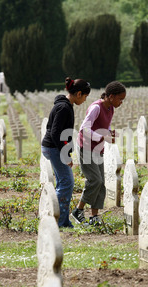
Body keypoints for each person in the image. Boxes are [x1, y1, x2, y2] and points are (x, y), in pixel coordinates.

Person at [71, 81, 126, 226]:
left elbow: (103, 127)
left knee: (101, 182)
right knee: (94, 180)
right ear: (111, 96)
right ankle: (78, 210)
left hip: (97, 148)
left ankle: (94, 216)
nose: (121, 102)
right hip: (86, 147)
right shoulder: (96, 107)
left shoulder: (110, 109)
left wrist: (109, 133)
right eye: (120, 99)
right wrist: (101, 137)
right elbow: (84, 129)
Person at [41, 77, 91, 228]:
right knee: (67, 182)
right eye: (85, 97)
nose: (84, 100)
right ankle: (59, 221)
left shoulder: (64, 105)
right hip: (54, 148)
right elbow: (56, 133)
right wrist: (65, 154)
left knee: (63, 182)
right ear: (78, 94)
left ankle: (58, 219)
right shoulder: (64, 108)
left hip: (52, 147)